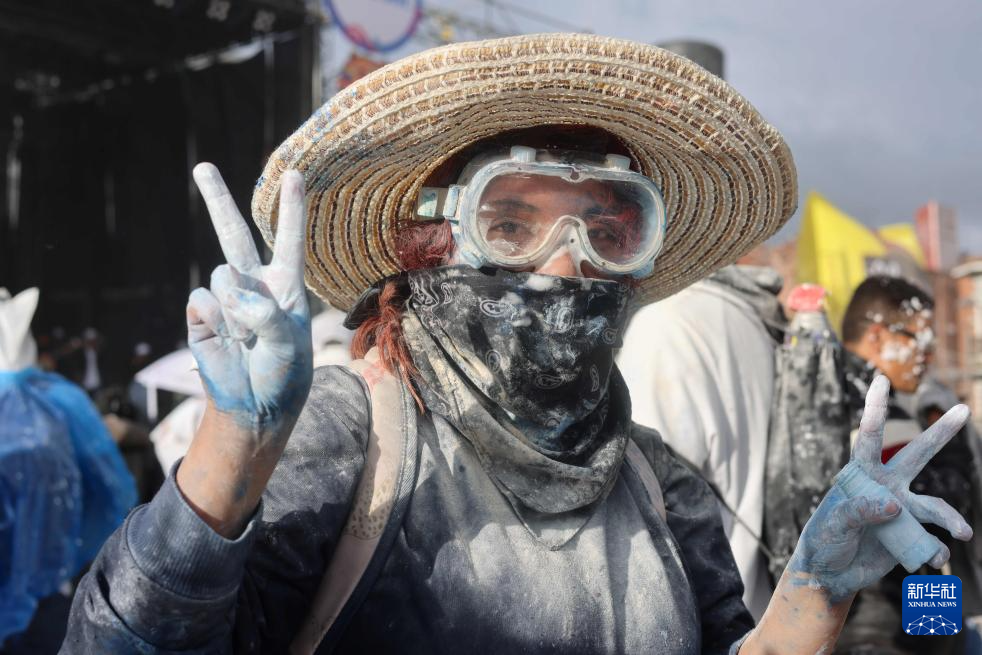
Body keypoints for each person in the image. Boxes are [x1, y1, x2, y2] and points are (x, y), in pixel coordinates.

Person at [62, 34, 972, 654]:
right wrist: (234, 450)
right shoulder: (352, 437)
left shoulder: (661, 484)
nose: (566, 263)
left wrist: (812, 596)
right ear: (431, 243)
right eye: (510, 224)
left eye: (607, 231)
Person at [617, 264, 786, 619]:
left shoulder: (664, 326)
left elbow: (647, 504)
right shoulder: (746, 315)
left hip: (699, 617)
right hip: (755, 607)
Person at [835, 276, 976, 654]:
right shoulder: (868, 409)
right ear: (878, 334)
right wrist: (950, 442)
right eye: (921, 341)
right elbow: (934, 510)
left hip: (909, 611)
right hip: (885, 625)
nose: (928, 356)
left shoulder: (853, 394)